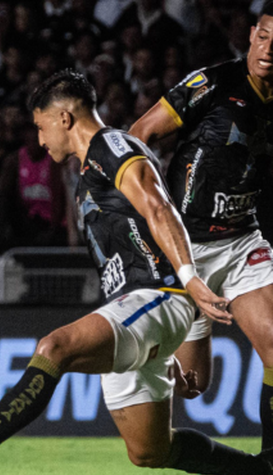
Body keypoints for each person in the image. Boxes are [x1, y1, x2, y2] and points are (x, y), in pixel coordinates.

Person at [0, 69, 273, 475]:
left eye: (40, 126)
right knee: (149, 450)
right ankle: (260, 473)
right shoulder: (89, 168)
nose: (39, 139)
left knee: (55, 348)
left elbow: (160, 207)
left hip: (159, 294)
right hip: (133, 306)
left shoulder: (113, 146)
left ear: (64, 119)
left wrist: (190, 278)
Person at [129, 1, 273, 451]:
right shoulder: (213, 83)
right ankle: (136, 370)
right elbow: (140, 133)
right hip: (184, 246)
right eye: (265, 36)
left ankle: (269, 461)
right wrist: (145, 210)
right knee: (193, 386)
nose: (270, 48)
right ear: (251, 34)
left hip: (241, 242)